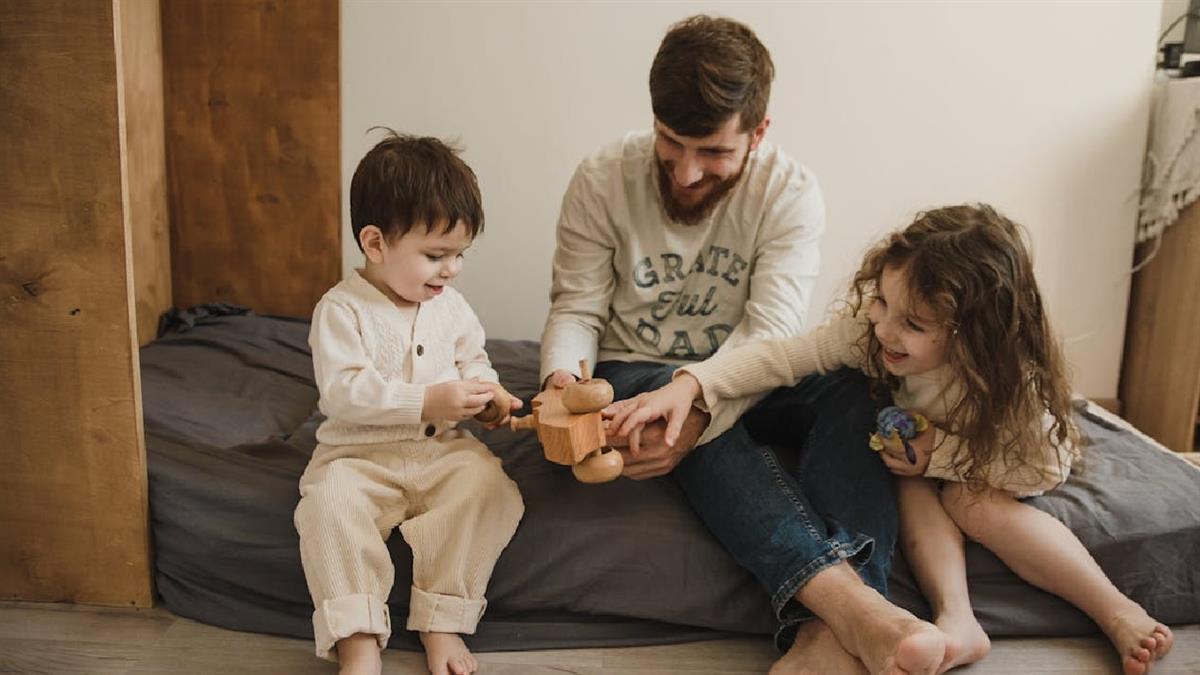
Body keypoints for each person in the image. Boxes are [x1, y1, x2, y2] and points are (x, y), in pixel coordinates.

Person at [610, 204, 1176, 675]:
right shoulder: (870, 333)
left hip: (992, 462)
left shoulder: (1009, 384)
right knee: (908, 486)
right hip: (914, 463)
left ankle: (1115, 609)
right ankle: (958, 619)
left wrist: (945, 455)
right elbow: (783, 359)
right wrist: (694, 384)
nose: (883, 328)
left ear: (973, 334)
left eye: (912, 324)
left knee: (973, 506)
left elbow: (1042, 469)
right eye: (882, 302)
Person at [541, 14, 945, 675]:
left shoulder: (790, 194)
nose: (687, 172)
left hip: (754, 366)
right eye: (671, 143)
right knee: (676, 404)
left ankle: (827, 631)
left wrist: (702, 402)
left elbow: (772, 334)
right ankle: (858, 611)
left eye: (713, 152)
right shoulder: (600, 178)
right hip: (636, 367)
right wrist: (562, 381)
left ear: (758, 133)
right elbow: (577, 308)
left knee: (857, 387)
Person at [294, 131, 524, 675]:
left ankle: (442, 616)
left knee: (489, 488)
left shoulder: (453, 308)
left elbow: (474, 361)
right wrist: (427, 400)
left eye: (460, 255)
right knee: (328, 507)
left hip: (441, 453)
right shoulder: (342, 310)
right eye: (435, 255)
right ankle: (357, 639)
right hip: (359, 457)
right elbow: (343, 392)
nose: (452, 269)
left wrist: (487, 395)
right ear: (375, 244)